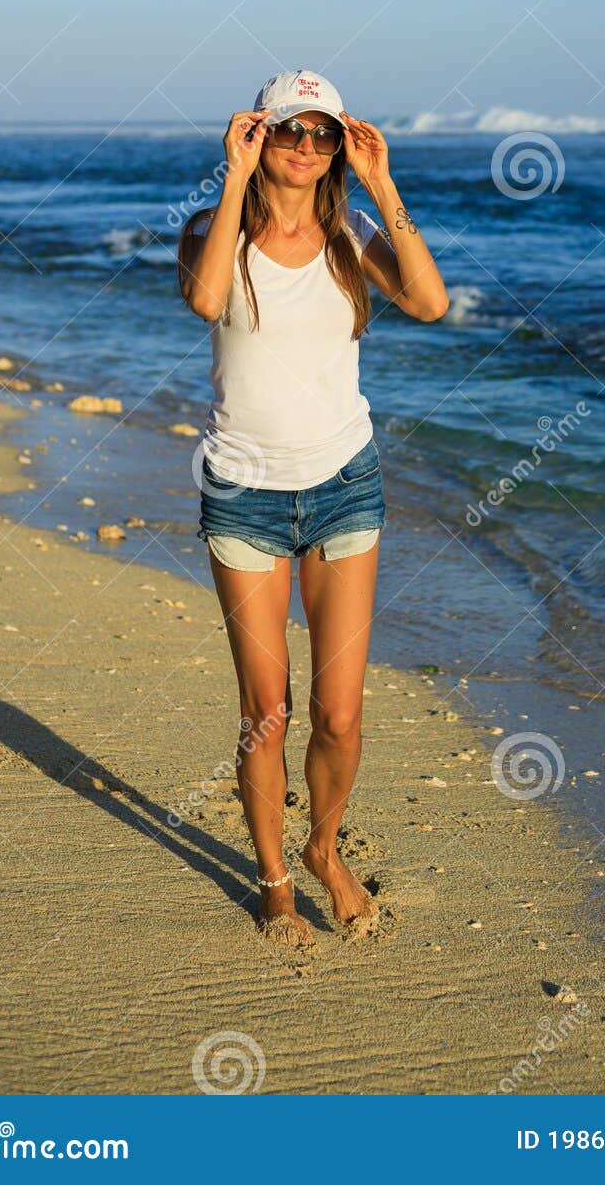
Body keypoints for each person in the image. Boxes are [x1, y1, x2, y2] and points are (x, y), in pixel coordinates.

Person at [178, 70, 449, 945]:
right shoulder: (207, 231)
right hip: (243, 494)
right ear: (260, 134)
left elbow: (431, 302)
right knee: (267, 708)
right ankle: (274, 880)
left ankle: (324, 848)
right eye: (289, 132)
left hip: (342, 485)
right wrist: (232, 178)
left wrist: (384, 184)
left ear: (338, 146)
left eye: (321, 135)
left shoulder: (354, 235)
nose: (305, 149)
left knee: (337, 712)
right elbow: (207, 297)